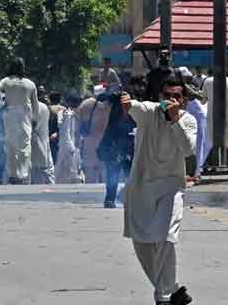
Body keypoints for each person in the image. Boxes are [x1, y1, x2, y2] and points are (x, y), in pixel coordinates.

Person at [121, 80, 197, 305]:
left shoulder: (188, 120)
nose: (172, 100)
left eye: (177, 96)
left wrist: (175, 121)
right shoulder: (149, 112)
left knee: (166, 235)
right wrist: (126, 102)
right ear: (160, 97)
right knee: (142, 243)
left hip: (171, 187)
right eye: (167, 95)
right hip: (141, 186)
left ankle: (163, 297)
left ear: (184, 101)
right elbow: (133, 106)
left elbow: (187, 150)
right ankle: (171, 289)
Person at [0, 58, 37, 184]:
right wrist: (34, 120)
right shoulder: (30, 84)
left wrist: (1, 104)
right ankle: (23, 174)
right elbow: (35, 105)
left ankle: (13, 174)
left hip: (10, 116)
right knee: (25, 147)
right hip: (25, 118)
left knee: (11, 145)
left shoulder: (6, 81)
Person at [98, 90, 135, 208]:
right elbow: (101, 97)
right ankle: (110, 199)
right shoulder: (115, 114)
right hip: (114, 148)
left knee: (131, 175)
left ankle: (128, 197)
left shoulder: (135, 113)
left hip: (130, 148)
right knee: (112, 174)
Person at [202, 72, 228, 167]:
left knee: (212, 143)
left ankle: (214, 165)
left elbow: (203, 100)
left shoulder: (207, 81)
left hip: (211, 119)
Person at [79, 89, 110, 184]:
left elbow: (80, 123)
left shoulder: (85, 104)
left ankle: (89, 195)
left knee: (90, 174)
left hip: (89, 141)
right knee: (104, 173)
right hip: (104, 142)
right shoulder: (107, 105)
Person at [54, 94, 83, 184]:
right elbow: (65, 130)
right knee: (64, 164)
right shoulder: (67, 114)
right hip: (67, 143)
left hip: (71, 143)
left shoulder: (72, 114)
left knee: (68, 164)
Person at [31, 89, 56, 185]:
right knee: (47, 166)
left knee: (35, 168)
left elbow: (32, 124)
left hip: (34, 139)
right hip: (44, 139)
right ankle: (50, 184)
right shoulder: (45, 107)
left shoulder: (31, 107)